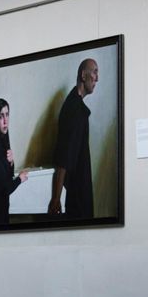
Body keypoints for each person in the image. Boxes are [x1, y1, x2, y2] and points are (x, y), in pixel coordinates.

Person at [48, 58, 98, 219]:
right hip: (77, 192)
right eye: (95, 72)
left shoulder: (74, 105)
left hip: (77, 189)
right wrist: (56, 199)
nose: (97, 78)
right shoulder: (74, 109)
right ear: (84, 75)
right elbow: (64, 158)